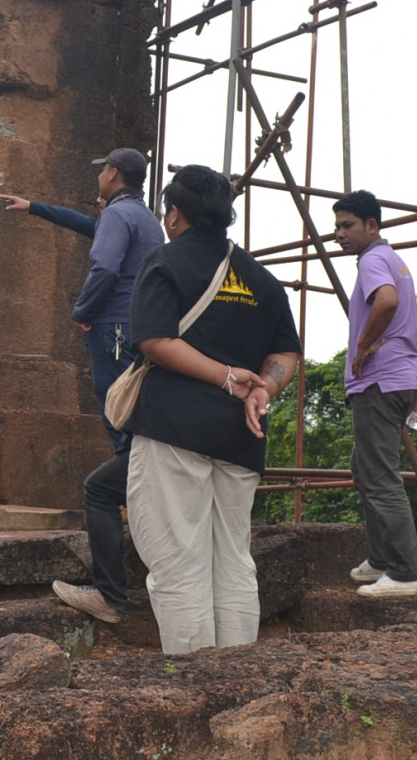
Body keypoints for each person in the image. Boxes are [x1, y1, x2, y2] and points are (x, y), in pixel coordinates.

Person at [124, 164, 301, 656]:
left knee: (179, 563)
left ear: (176, 214)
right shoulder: (261, 278)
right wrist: (263, 387)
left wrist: (225, 377)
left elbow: (155, 340)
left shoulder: (165, 261)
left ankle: (193, 685)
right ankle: (238, 676)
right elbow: (287, 354)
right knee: (232, 560)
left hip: (175, 428)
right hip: (241, 437)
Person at [0, 146, 166, 626]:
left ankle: (132, 502)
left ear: (111, 174)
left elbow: (106, 267)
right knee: (129, 419)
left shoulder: (119, 217)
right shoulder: (144, 217)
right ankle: (134, 487)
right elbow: (93, 228)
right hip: (136, 327)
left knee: (116, 410)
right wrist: (36, 207)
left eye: (102, 172)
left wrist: (82, 312)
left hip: (114, 325)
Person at [331, 190, 417, 597]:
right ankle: (382, 558)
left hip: (378, 380)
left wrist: (364, 346)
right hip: (400, 378)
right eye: (337, 226)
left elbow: (385, 303)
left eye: (347, 225)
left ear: (372, 226)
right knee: (364, 468)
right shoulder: (395, 260)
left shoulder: (373, 259)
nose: (339, 234)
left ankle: (406, 574)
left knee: (379, 476)